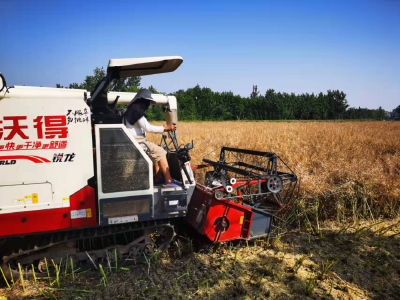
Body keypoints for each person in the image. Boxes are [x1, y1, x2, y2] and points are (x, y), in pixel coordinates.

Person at [124, 89, 179, 186]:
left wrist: (164, 128)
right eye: (148, 102)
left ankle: (158, 177)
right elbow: (147, 127)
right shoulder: (136, 109)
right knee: (161, 152)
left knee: (156, 151)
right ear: (142, 100)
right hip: (137, 142)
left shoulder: (131, 108)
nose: (148, 104)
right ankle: (169, 181)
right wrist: (165, 128)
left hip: (131, 141)